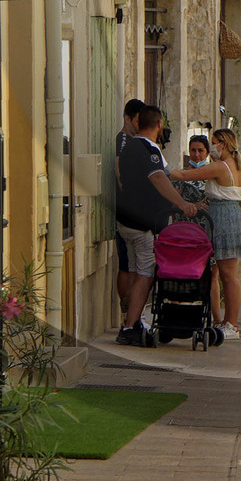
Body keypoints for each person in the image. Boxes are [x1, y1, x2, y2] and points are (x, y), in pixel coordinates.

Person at [113, 102, 204, 350]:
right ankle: (130, 326)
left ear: (137, 122)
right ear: (159, 125)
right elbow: (158, 178)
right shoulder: (147, 149)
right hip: (143, 224)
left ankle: (131, 322)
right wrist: (183, 204)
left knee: (135, 271)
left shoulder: (129, 146)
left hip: (127, 221)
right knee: (146, 274)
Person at [173, 126, 241, 337]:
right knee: (227, 274)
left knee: (228, 275)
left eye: (214, 143)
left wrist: (162, 171)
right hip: (233, 216)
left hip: (222, 216)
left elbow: (186, 174)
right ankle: (226, 321)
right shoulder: (240, 167)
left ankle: (231, 324)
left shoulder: (221, 166)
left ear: (223, 144)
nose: (213, 147)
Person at [113, 99, 144, 317]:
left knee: (134, 265)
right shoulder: (123, 139)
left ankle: (133, 312)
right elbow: (119, 169)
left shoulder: (135, 140)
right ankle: (127, 312)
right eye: (138, 120)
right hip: (127, 212)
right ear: (127, 118)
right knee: (126, 264)